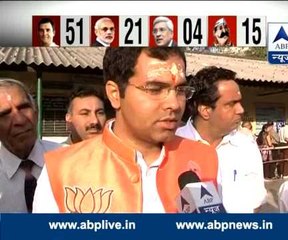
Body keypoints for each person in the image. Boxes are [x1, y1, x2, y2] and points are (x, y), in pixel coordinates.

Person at [33, 47, 220, 213]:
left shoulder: (203, 159)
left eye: (180, 90)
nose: (174, 104)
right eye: (155, 89)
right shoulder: (62, 169)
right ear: (115, 94)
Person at [176, 66, 267, 213]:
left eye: (239, 102)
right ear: (205, 110)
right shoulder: (173, 145)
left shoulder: (246, 146)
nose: (241, 110)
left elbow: (256, 204)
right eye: (231, 104)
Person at [0, 78, 61, 213]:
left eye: (24, 107)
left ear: (36, 112)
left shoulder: (68, 158)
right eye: (5, 114)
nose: (20, 120)